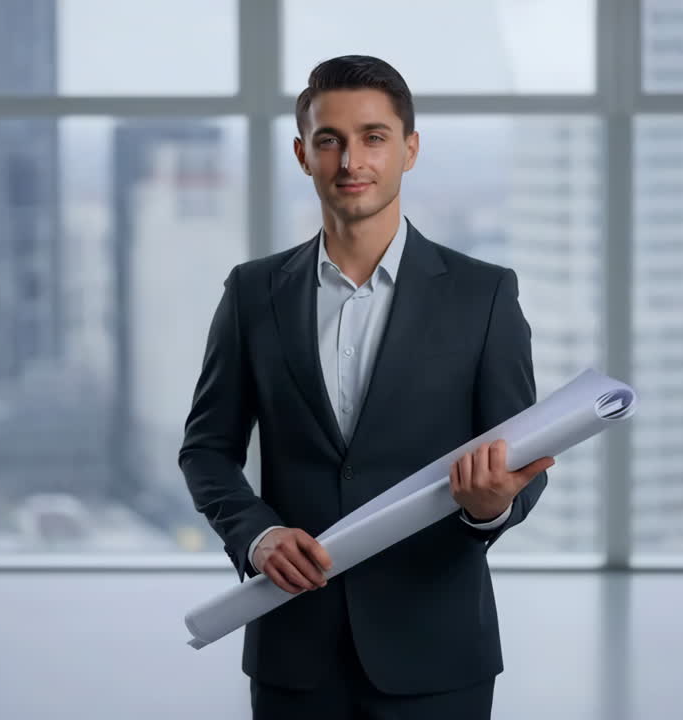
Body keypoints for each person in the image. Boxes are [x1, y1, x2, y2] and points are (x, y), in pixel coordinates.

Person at [180, 54, 554, 720]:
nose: (352, 159)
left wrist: (490, 506)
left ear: (410, 149)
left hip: (437, 650)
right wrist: (257, 535)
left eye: (374, 137)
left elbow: (523, 466)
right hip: (293, 647)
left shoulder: (484, 296)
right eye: (330, 140)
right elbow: (207, 450)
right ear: (303, 154)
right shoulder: (252, 295)